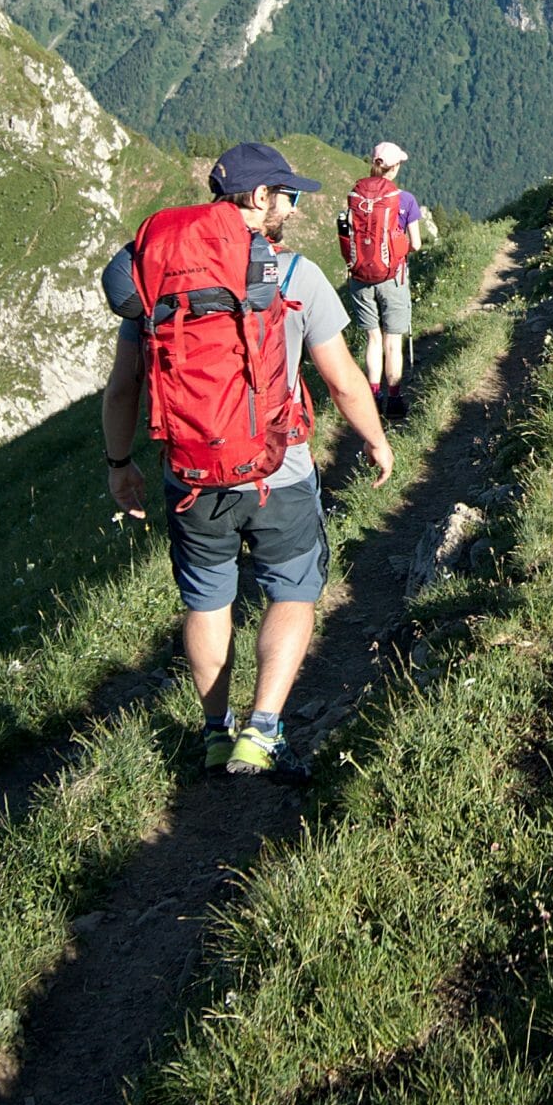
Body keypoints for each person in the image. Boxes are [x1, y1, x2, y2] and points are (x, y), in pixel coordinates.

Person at [103, 141, 392, 782]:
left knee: (208, 602)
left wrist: (120, 463)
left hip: (190, 474)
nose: (291, 205)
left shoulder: (158, 279)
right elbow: (342, 379)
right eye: (286, 194)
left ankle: (213, 734)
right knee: (291, 590)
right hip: (278, 470)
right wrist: (374, 439)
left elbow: (124, 388)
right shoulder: (294, 277)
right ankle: (260, 733)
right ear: (258, 200)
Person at [338, 140, 427, 419]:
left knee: (373, 339)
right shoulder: (405, 199)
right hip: (393, 276)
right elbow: (416, 243)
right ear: (396, 167)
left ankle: (373, 396)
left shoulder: (356, 195)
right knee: (392, 340)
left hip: (360, 277)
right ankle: (395, 400)